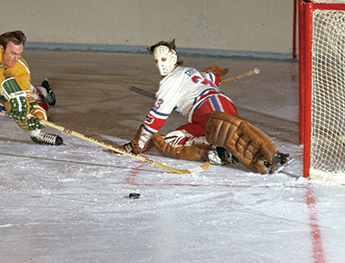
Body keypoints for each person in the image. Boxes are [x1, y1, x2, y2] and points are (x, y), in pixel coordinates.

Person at [118, 40, 288, 174]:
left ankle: (212, 150)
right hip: (223, 104)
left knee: (169, 145)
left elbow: (156, 118)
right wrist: (217, 75)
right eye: (156, 61)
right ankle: (264, 154)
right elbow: (212, 76)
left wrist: (136, 145)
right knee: (175, 138)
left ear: (174, 58)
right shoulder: (190, 71)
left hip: (207, 111)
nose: (160, 65)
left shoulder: (169, 83)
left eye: (163, 59)